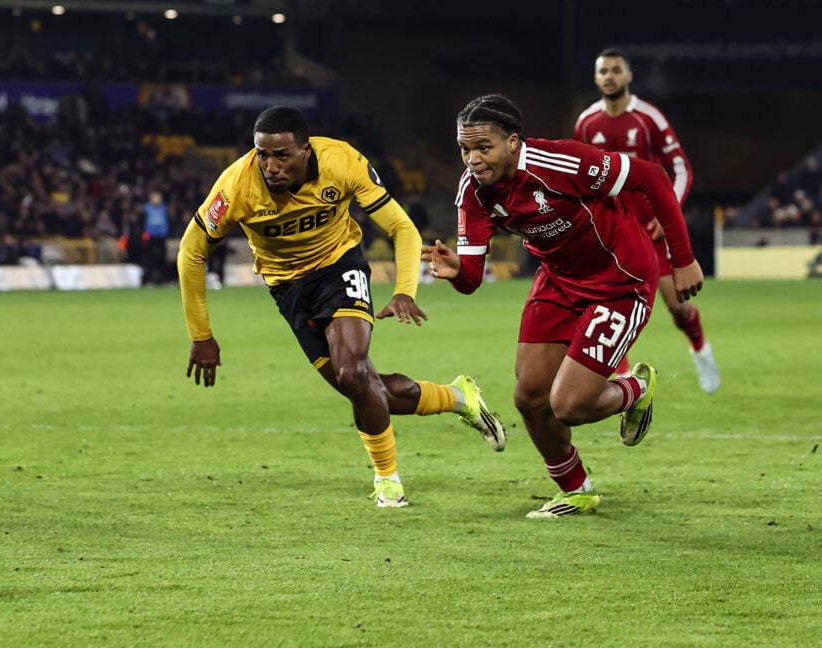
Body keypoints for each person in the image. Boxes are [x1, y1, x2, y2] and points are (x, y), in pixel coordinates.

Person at [178, 105, 505, 508]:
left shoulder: (341, 161)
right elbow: (191, 252)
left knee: (353, 371)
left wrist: (405, 290)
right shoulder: (236, 187)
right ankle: (458, 397)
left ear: (305, 151)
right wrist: (201, 336)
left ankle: (387, 480)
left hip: (339, 267)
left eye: (281, 155)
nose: (270, 166)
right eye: (262, 154)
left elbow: (401, 227)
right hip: (287, 289)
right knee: (365, 389)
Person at [422, 94, 705, 518]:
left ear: (513, 142)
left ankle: (636, 390)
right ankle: (576, 489)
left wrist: (682, 259)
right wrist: (456, 271)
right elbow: (472, 280)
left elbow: (652, 178)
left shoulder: (561, 162)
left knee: (569, 406)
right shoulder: (474, 193)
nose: (473, 160)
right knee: (529, 396)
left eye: (483, 147)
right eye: (465, 149)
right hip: (557, 281)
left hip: (620, 281)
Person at [575, 48, 720, 394]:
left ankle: (701, 348)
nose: (609, 76)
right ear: (596, 78)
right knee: (609, 308)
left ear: (629, 76)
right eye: (603, 71)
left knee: (678, 308)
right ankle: (622, 375)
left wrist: (665, 212)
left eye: (616, 70)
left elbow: (681, 168)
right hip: (611, 235)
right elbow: (582, 177)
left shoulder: (647, 118)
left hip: (652, 233)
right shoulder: (586, 123)